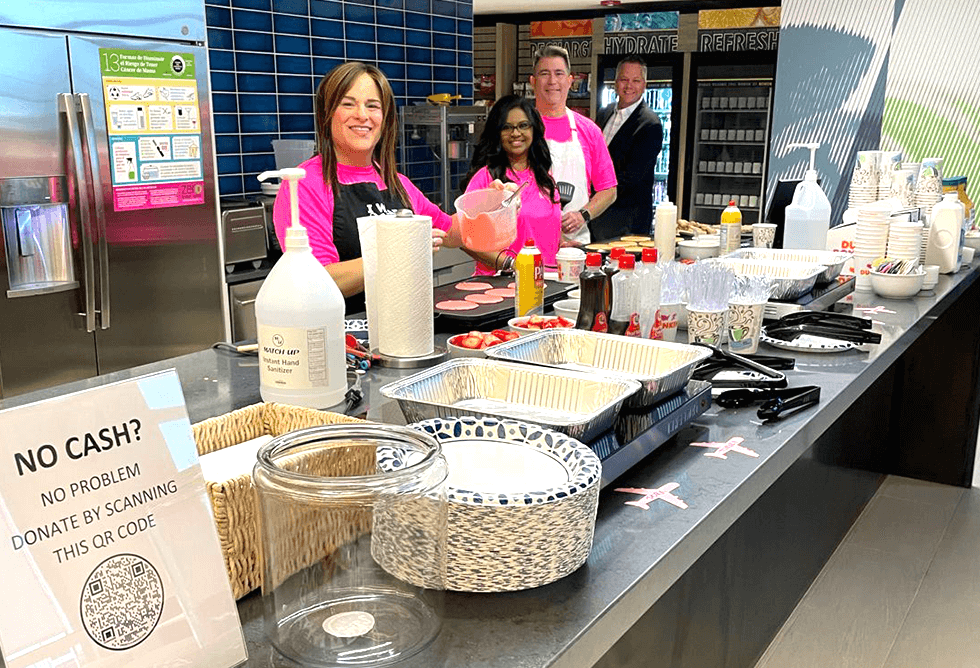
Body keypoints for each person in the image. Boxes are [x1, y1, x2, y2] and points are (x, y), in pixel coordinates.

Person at [272, 62, 463, 314]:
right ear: (326, 114)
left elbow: (452, 232)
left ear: (384, 119)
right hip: (341, 340)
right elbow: (318, 280)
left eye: (372, 106)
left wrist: (493, 204)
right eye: (348, 104)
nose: (362, 115)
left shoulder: (396, 182)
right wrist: (398, 253)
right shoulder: (304, 184)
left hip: (402, 330)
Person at [460, 95, 561, 274]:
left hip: (545, 281)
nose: (516, 133)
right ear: (497, 132)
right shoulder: (485, 179)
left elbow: (543, 233)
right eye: (507, 127)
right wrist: (511, 265)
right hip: (500, 284)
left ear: (534, 129)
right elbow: (465, 238)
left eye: (523, 125)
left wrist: (564, 248)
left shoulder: (545, 178)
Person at [531, 45, 617, 246]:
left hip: (576, 246)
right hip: (529, 244)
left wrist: (583, 215)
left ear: (570, 81)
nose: (553, 81)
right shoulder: (521, 129)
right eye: (545, 74)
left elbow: (609, 190)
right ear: (533, 82)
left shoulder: (589, 130)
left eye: (559, 74)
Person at [594, 55, 664, 240]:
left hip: (628, 222)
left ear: (644, 85)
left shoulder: (650, 124)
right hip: (598, 216)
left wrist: (595, 193)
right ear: (616, 82)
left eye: (636, 80)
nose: (629, 86)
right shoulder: (604, 112)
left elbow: (632, 178)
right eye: (624, 79)